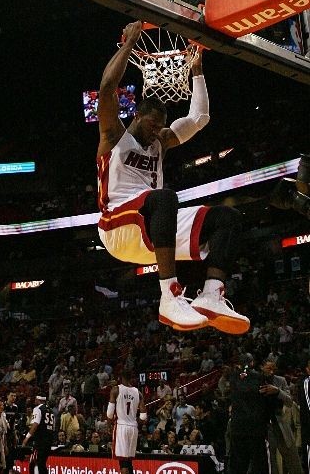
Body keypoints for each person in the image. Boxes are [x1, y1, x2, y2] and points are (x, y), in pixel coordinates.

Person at [96, 19, 249, 333]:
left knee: (228, 219)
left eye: (159, 126)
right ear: (137, 115)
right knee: (164, 197)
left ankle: (211, 295)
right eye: (151, 124)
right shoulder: (114, 137)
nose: (156, 131)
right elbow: (107, 90)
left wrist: (197, 70)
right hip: (117, 227)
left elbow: (199, 117)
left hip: (154, 230)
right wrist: (129, 43)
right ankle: (169, 295)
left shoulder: (160, 141)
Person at [229, 356, 279, 474]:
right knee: (259, 464)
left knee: (237, 465)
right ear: (252, 362)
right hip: (256, 428)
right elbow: (269, 402)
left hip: (237, 428)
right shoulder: (260, 377)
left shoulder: (233, 378)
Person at [262, 358, 303, 474]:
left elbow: (290, 401)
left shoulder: (281, 381)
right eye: (268, 368)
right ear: (262, 367)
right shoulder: (257, 381)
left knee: (293, 459)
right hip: (263, 427)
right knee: (271, 461)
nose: (271, 371)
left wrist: (278, 391)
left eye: (273, 369)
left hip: (280, 423)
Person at [106, 375, 146, 474]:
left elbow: (109, 414)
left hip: (121, 426)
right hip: (133, 427)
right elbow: (143, 416)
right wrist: (136, 422)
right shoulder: (138, 392)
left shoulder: (116, 390)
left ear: (121, 378)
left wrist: (109, 425)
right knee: (128, 461)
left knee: (123, 462)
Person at [22, 395, 56, 474]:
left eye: (35, 399)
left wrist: (26, 438)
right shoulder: (50, 411)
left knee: (33, 463)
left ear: (38, 400)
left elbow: (35, 425)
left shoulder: (37, 409)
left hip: (40, 441)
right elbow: (53, 428)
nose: (34, 401)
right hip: (48, 441)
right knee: (42, 464)